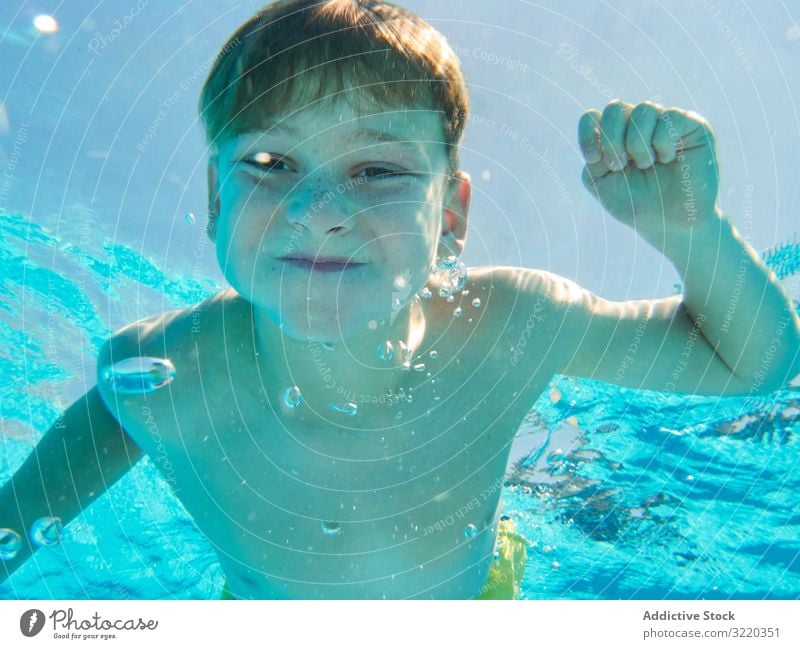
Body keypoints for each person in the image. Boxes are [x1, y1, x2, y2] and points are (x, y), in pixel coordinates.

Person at [2, 0, 798, 600]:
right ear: (215, 197)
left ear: (450, 216)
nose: (318, 209)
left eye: (377, 171)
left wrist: (692, 230)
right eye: (272, 161)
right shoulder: (155, 377)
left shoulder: (510, 325)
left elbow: (752, 367)